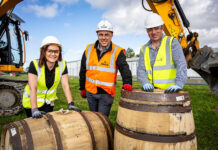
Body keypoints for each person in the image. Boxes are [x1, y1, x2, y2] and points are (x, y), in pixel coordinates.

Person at [79, 20, 132, 116]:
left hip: (106, 94)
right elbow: (83, 70)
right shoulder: (89, 49)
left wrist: (127, 82)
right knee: (93, 118)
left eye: (106, 35)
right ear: (97, 35)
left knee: (102, 120)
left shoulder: (117, 51)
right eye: (101, 34)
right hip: (90, 92)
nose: (103, 38)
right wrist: (82, 87)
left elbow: (125, 69)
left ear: (111, 35)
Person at [22, 35, 81, 118]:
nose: (53, 54)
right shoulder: (34, 64)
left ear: (59, 52)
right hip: (31, 103)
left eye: (56, 51)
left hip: (48, 104)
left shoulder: (62, 64)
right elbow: (33, 88)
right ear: (44, 52)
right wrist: (34, 109)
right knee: (34, 128)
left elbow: (65, 85)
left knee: (47, 126)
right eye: (50, 51)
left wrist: (70, 104)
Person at [137, 13, 187, 93]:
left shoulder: (172, 42)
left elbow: (181, 64)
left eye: (156, 28)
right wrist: (145, 82)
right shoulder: (144, 48)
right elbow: (141, 70)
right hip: (151, 92)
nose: (153, 32)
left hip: (170, 92)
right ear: (147, 31)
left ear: (162, 28)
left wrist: (179, 84)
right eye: (150, 29)